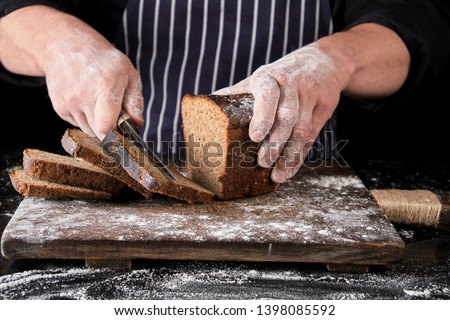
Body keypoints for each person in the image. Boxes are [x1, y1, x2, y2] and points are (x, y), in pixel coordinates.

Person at [0, 0, 449, 184]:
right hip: (133, 171)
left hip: (302, 180)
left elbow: (416, 24)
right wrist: (55, 40)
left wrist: (335, 60)